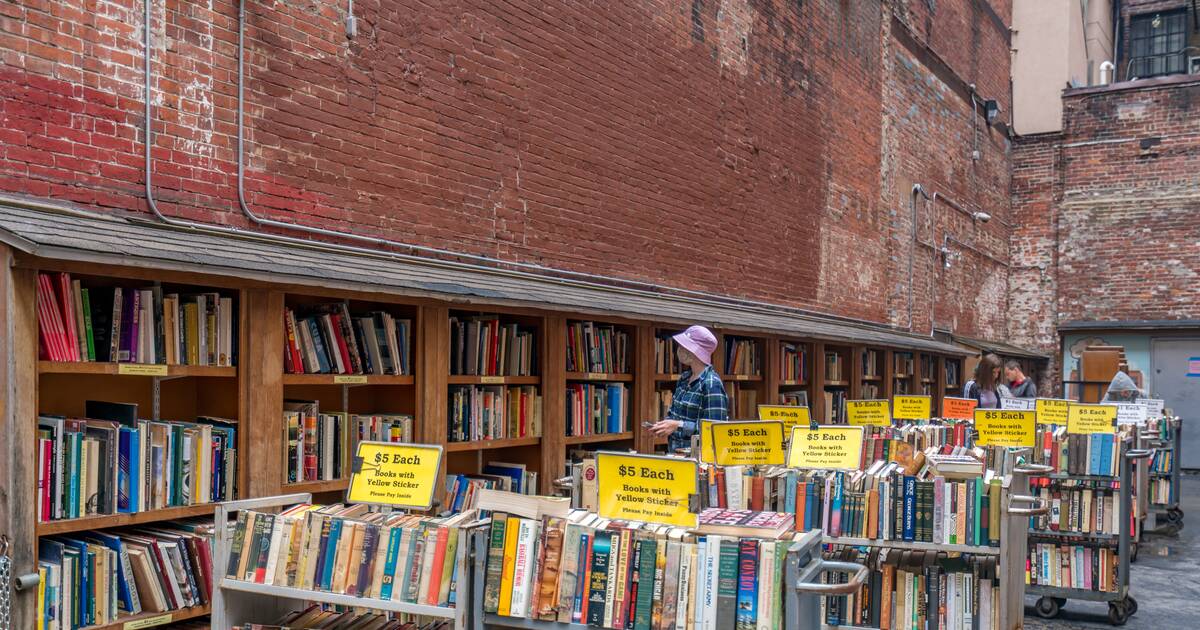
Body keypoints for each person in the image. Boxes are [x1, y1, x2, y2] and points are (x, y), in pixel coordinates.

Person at [649, 325, 729, 453]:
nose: (679, 349)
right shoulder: (684, 379)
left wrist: (677, 426)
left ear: (695, 351)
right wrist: (665, 425)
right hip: (675, 455)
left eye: (684, 346)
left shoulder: (711, 384)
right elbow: (675, 414)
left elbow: (714, 429)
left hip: (698, 461)